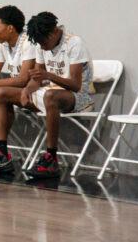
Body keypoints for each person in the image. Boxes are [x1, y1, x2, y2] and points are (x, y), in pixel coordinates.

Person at [21, 12, 94, 179]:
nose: (42, 46)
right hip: (52, 93)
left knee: (50, 97)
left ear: (54, 32)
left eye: (44, 41)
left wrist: (49, 76)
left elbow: (75, 85)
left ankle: (51, 157)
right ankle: (1, 153)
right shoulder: (42, 44)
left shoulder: (74, 43)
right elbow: (37, 79)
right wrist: (27, 89)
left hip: (80, 97)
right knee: (1, 93)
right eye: (39, 42)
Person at [0, 5, 36, 173]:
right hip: (13, 92)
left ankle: (1, 152)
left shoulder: (28, 42)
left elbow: (23, 80)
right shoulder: (3, 44)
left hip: (32, 92)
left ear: (10, 28)